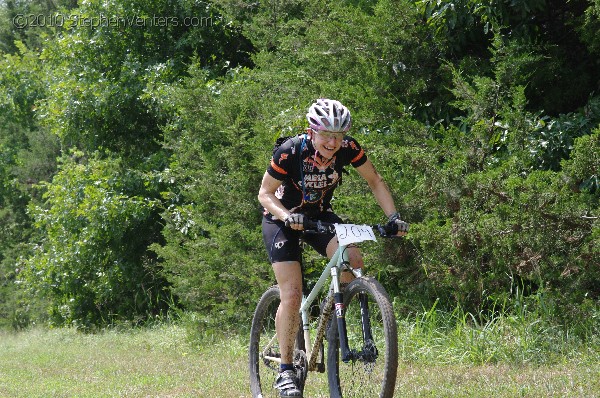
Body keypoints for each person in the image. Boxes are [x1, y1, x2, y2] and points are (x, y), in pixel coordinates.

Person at [257, 98, 409, 397]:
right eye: (326, 134)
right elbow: (265, 194)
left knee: (352, 257)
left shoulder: (349, 149)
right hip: (281, 218)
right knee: (292, 292)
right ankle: (286, 371)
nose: (332, 141)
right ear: (311, 132)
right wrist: (288, 216)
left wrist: (393, 217)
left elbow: (375, 180)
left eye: (338, 135)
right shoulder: (290, 152)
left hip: (317, 216)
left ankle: (332, 316)